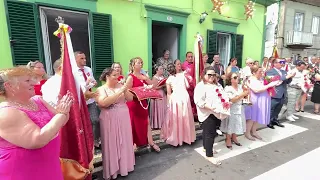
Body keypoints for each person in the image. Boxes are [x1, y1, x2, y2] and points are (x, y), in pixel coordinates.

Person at [0, 66, 73, 180]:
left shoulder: (38, 100)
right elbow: (37, 140)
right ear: (9, 86)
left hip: (50, 166)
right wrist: (61, 114)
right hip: (23, 171)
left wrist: (64, 110)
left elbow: (61, 122)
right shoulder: (6, 112)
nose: (34, 83)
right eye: (28, 81)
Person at [96, 68, 135, 179]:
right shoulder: (101, 89)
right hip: (109, 119)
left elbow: (130, 98)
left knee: (124, 141)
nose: (117, 77)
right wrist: (121, 90)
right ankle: (113, 170)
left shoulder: (120, 86)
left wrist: (125, 88)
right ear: (107, 76)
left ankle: (125, 167)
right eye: (114, 75)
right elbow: (104, 103)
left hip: (123, 117)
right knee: (111, 142)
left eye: (117, 74)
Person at [194, 66, 230, 165]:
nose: (211, 76)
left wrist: (226, 103)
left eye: (213, 75)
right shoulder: (201, 86)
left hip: (218, 112)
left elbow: (223, 95)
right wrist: (209, 107)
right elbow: (198, 100)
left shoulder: (217, 84)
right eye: (209, 74)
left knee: (208, 132)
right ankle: (209, 155)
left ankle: (206, 148)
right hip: (208, 113)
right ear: (204, 75)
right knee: (210, 133)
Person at [126, 57, 160, 152]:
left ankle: (151, 142)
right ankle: (132, 145)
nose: (140, 64)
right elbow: (127, 93)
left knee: (146, 122)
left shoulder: (143, 76)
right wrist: (137, 95)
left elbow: (154, 86)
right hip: (134, 104)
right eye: (138, 63)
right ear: (133, 65)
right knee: (133, 124)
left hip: (143, 103)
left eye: (141, 62)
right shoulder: (130, 77)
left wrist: (149, 78)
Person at [161, 61, 196, 146]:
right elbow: (187, 86)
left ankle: (177, 138)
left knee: (177, 118)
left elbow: (169, 93)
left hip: (176, 97)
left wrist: (168, 104)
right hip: (184, 96)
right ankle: (187, 137)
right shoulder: (182, 75)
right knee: (185, 117)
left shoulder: (169, 79)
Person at [245, 66, 280, 140]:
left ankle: (254, 131)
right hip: (254, 100)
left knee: (257, 117)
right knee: (252, 118)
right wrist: (269, 85)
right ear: (254, 72)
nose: (261, 73)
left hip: (261, 100)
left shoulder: (261, 78)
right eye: (259, 71)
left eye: (262, 71)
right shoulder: (251, 79)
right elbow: (256, 90)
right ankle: (247, 133)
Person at [74, 51, 100, 148]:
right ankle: (85, 143)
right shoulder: (73, 71)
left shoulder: (88, 69)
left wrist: (93, 83)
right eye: (82, 58)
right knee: (82, 123)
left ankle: (94, 140)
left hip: (90, 100)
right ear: (75, 59)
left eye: (85, 58)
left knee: (95, 120)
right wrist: (86, 83)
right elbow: (77, 88)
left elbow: (92, 81)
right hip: (80, 102)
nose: (85, 60)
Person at [221, 73, 248, 149]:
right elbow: (232, 100)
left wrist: (246, 93)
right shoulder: (228, 88)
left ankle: (234, 137)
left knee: (237, 123)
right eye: (235, 77)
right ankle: (228, 139)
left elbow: (245, 95)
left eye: (237, 77)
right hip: (232, 109)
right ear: (230, 80)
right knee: (230, 124)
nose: (237, 78)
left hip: (240, 108)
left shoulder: (240, 87)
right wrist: (242, 94)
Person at [266, 59, 295, 129]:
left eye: (283, 62)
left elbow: (287, 81)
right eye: (280, 62)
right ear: (275, 64)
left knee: (279, 107)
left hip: (283, 92)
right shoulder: (270, 72)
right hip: (275, 92)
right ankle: (269, 121)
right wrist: (287, 76)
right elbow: (273, 80)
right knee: (272, 108)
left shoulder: (283, 71)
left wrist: (291, 77)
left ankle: (275, 119)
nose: (282, 64)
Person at [182, 52, 197, 119]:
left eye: (191, 56)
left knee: (194, 101)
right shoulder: (183, 65)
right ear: (186, 58)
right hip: (187, 87)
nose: (190, 58)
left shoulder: (195, 64)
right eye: (189, 57)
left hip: (194, 87)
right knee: (187, 101)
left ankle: (193, 116)